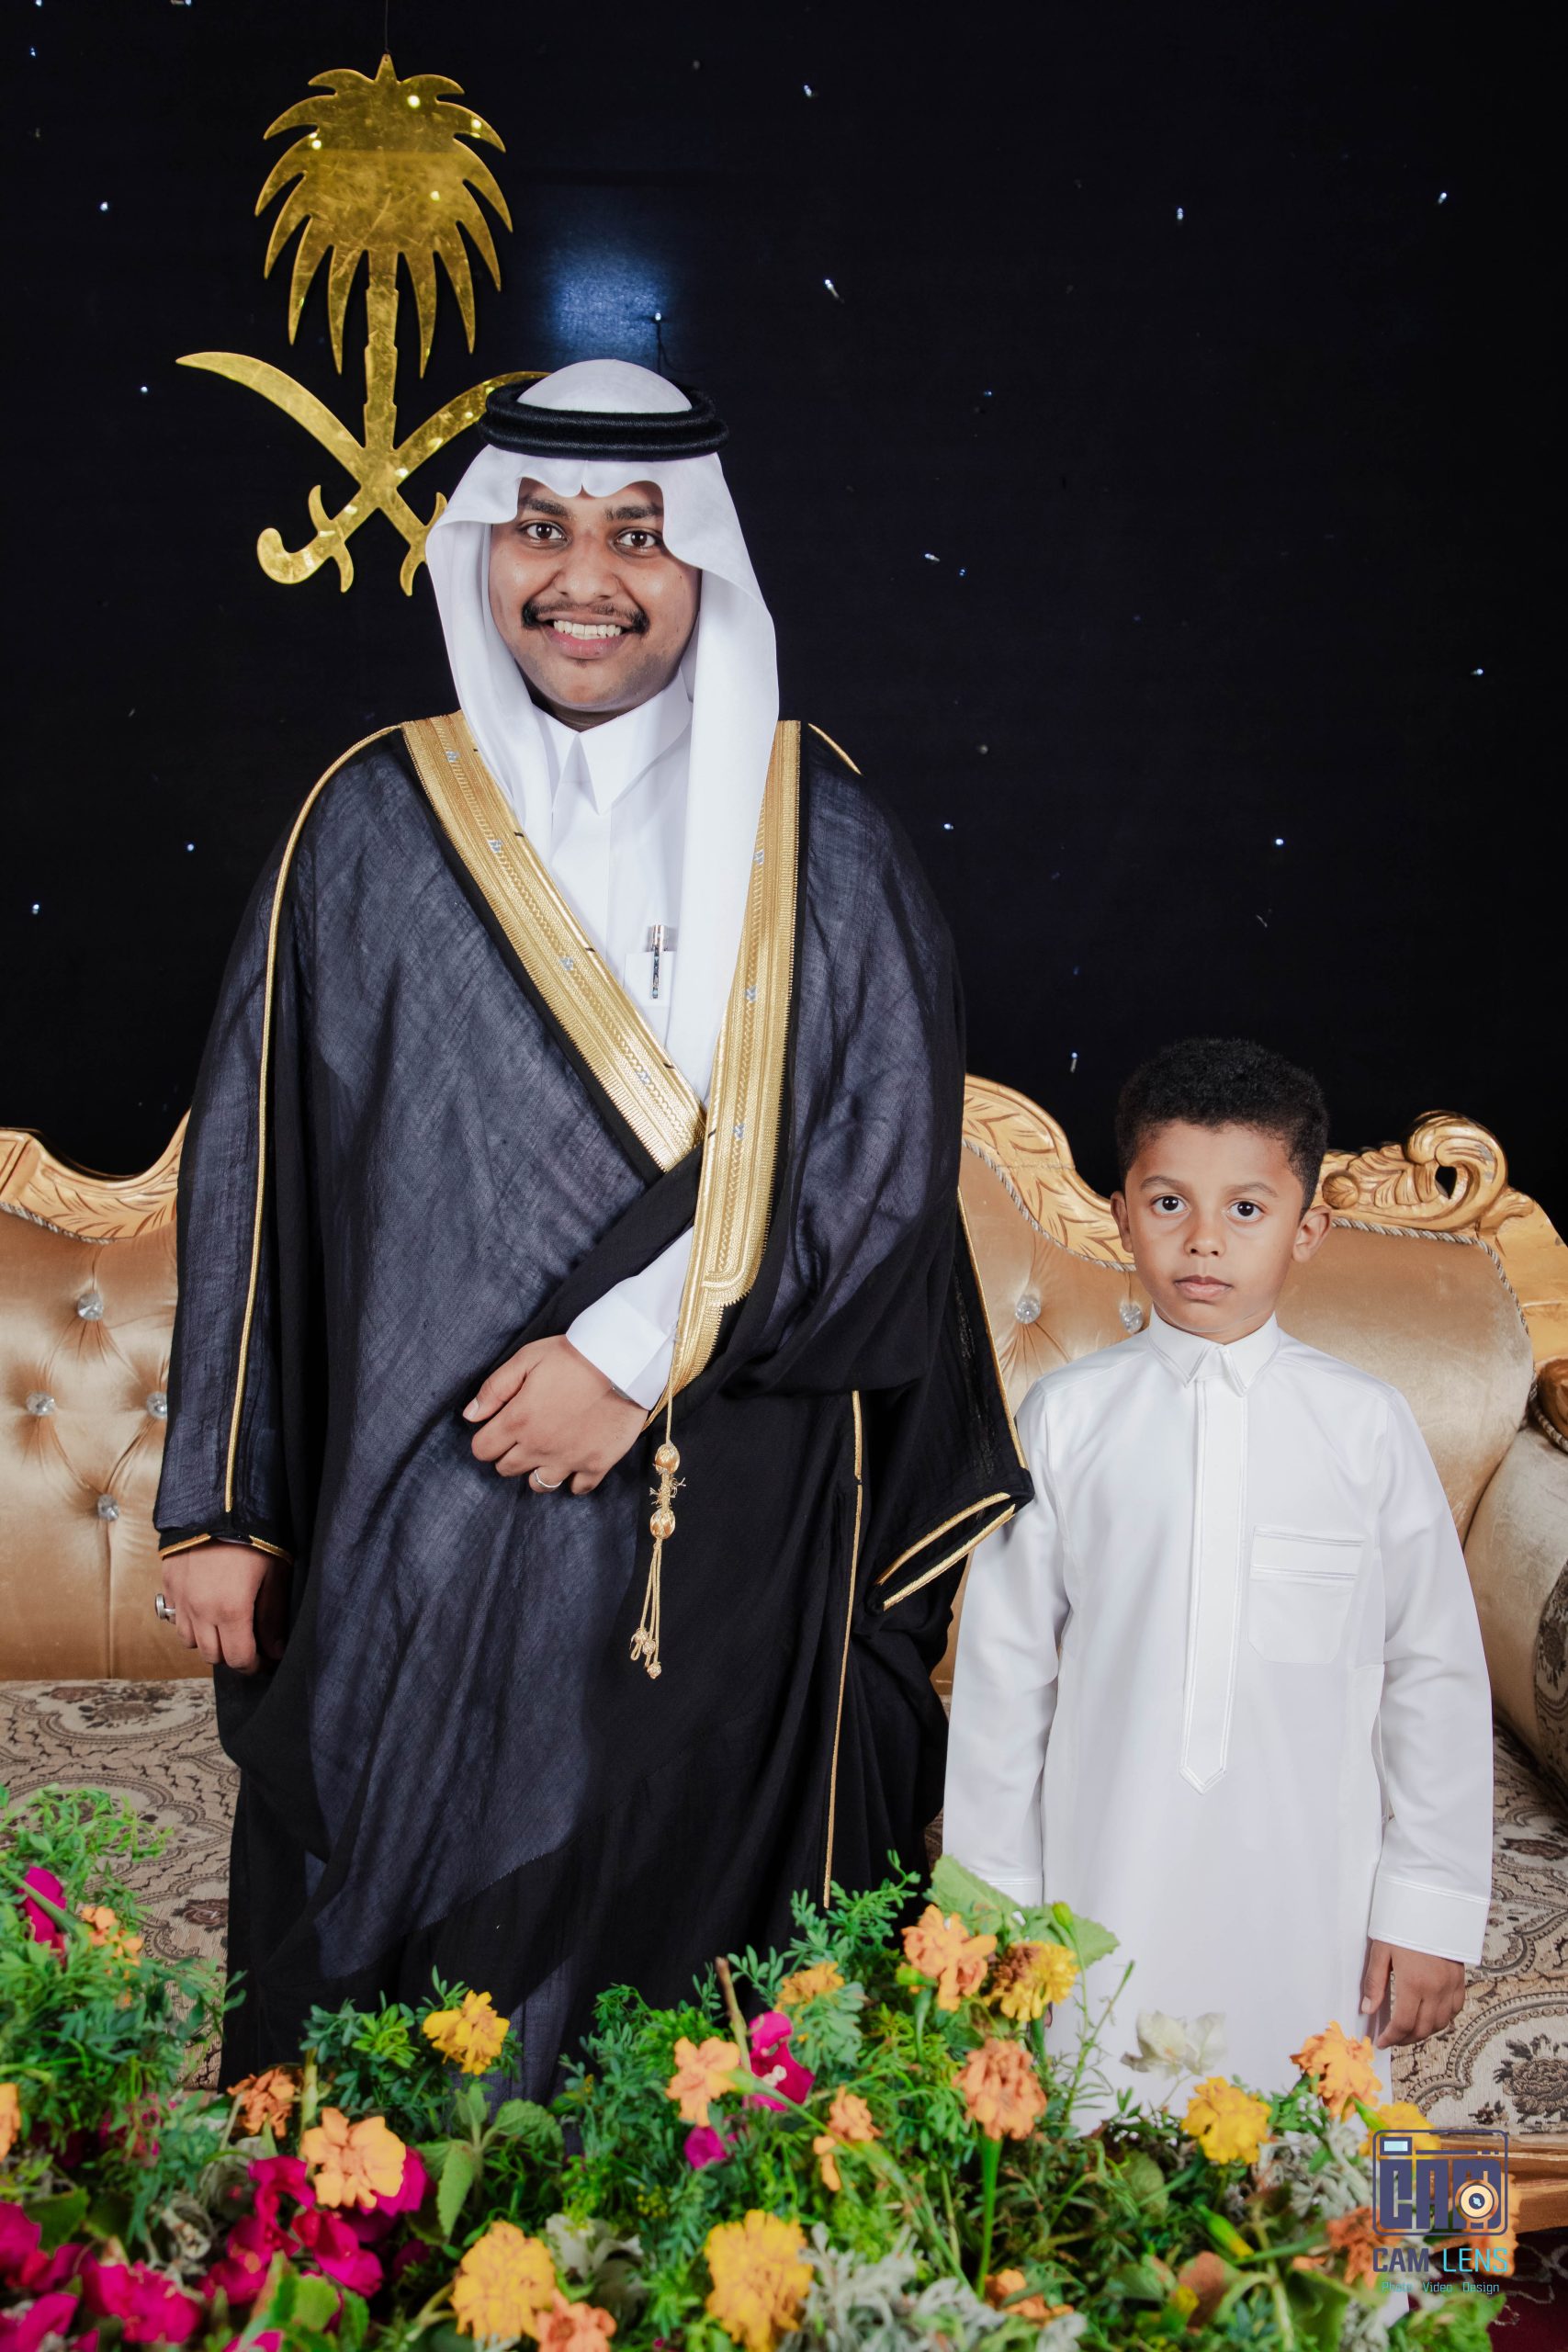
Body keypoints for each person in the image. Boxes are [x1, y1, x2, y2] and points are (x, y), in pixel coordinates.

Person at [154, 359, 1030, 2087]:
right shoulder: (368, 822)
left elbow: (877, 1170)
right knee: (405, 2018)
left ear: (703, 562)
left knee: (692, 1999)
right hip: (417, 1514)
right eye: (540, 527)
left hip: (735, 1511)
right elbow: (254, 1168)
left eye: (637, 533)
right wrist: (221, 1502)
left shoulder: (820, 835)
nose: (584, 575)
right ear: (482, 550)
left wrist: (633, 1355)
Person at [943, 1035, 1493, 2101]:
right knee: (1101, 2148)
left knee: (1320, 2159)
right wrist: (992, 1917)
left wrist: (1428, 1909)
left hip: (1312, 1889)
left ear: (1307, 1228)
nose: (1204, 1240)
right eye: (1169, 1203)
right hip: (1107, 1870)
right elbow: (1005, 1681)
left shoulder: (1365, 1426)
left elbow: (1433, 1674)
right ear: (1121, 1215)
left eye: (1246, 1208)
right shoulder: (1067, 1418)